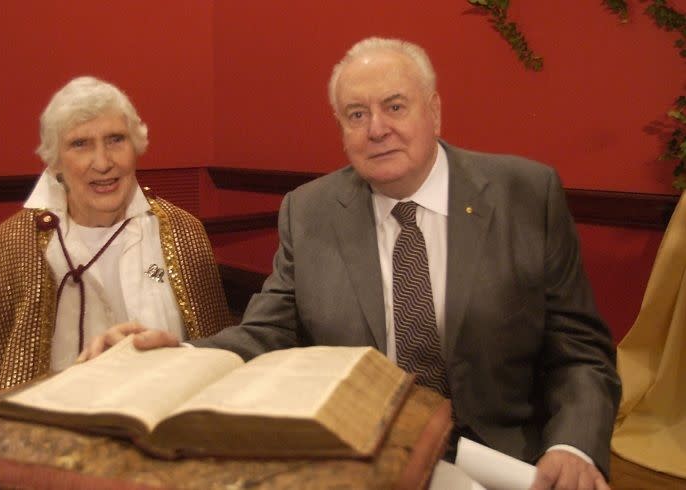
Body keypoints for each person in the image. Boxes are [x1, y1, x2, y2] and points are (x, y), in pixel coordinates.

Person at [84, 38, 620, 489]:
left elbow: (580, 353)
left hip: (501, 460)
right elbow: (263, 333)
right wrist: (170, 355)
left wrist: (574, 444)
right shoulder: (310, 211)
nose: (376, 128)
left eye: (394, 106)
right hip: (359, 458)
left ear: (434, 110)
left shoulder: (525, 194)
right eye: (356, 115)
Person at [0, 76, 232, 410]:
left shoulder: (182, 232)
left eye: (116, 139)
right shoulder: (14, 244)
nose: (102, 162)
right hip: (47, 438)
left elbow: (215, 361)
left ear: (137, 146)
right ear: (54, 161)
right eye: (80, 144)